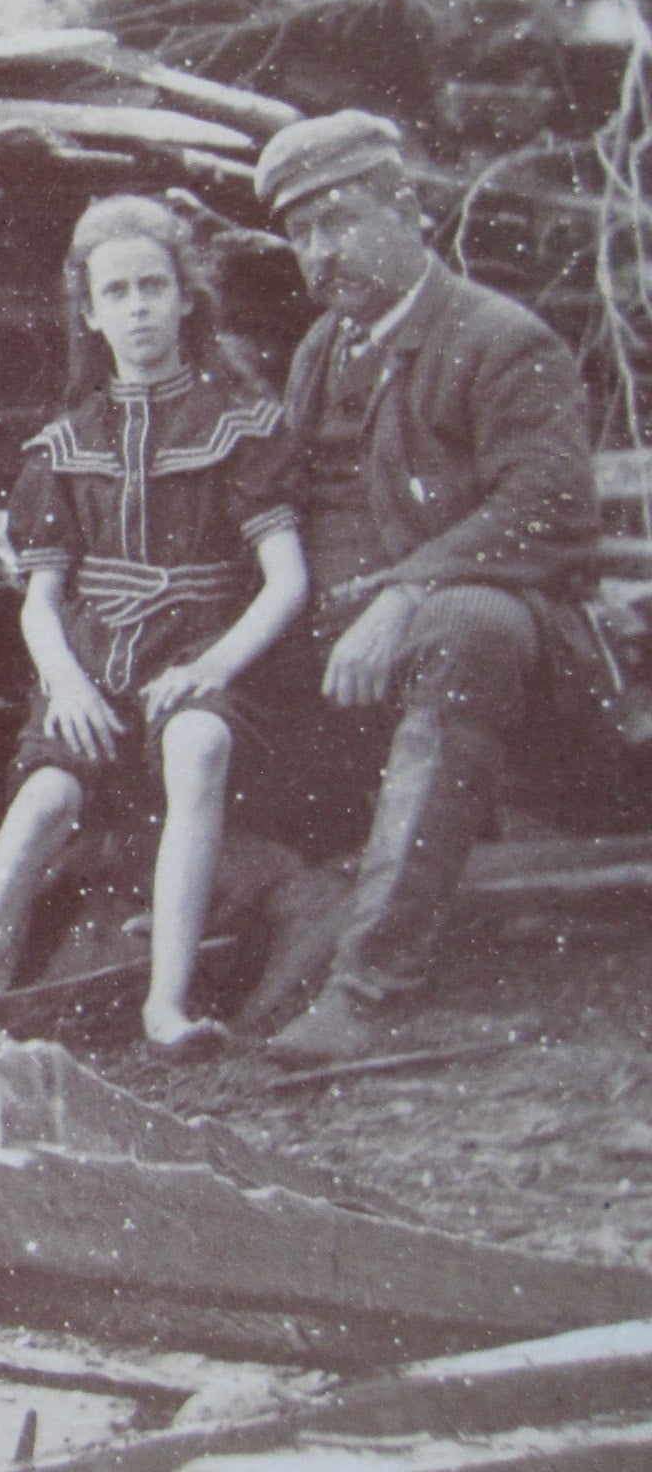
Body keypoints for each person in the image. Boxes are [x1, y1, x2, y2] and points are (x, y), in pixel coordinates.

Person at [0, 198, 308, 1099]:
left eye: (156, 287)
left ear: (189, 300)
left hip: (199, 653)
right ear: (90, 312)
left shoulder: (237, 425)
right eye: (119, 292)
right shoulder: (68, 444)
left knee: (199, 743)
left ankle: (167, 1003)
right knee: (40, 804)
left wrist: (211, 668)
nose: (140, 308)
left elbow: (287, 580)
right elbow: (40, 600)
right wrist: (64, 684)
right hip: (89, 664)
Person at [255, 113, 601, 1064]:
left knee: (466, 619)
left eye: (344, 218)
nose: (324, 252)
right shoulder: (322, 353)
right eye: (302, 233)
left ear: (409, 211)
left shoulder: (500, 340)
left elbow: (550, 506)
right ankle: (279, 913)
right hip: (350, 648)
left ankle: (370, 988)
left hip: (515, 664)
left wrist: (401, 596)